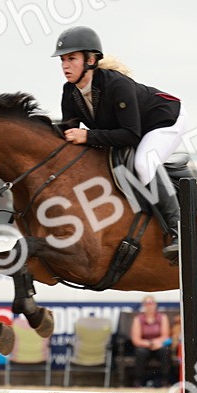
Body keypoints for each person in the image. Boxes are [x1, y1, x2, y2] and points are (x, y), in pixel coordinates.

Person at [53, 25, 186, 262]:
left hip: (165, 121)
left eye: (71, 58)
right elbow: (68, 132)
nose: (65, 66)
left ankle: (179, 233)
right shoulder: (70, 92)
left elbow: (130, 136)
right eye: (62, 59)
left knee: (144, 164)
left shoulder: (117, 85)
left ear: (91, 60)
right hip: (133, 129)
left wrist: (88, 136)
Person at [130, 295, 172, 387]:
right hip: (144, 345)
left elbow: (165, 336)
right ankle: (138, 381)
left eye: (152, 303)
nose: (150, 305)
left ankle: (165, 381)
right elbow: (136, 339)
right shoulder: (138, 319)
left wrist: (156, 343)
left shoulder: (163, 317)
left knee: (165, 350)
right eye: (147, 303)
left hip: (159, 345)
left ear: (156, 305)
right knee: (140, 352)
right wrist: (149, 344)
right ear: (143, 305)